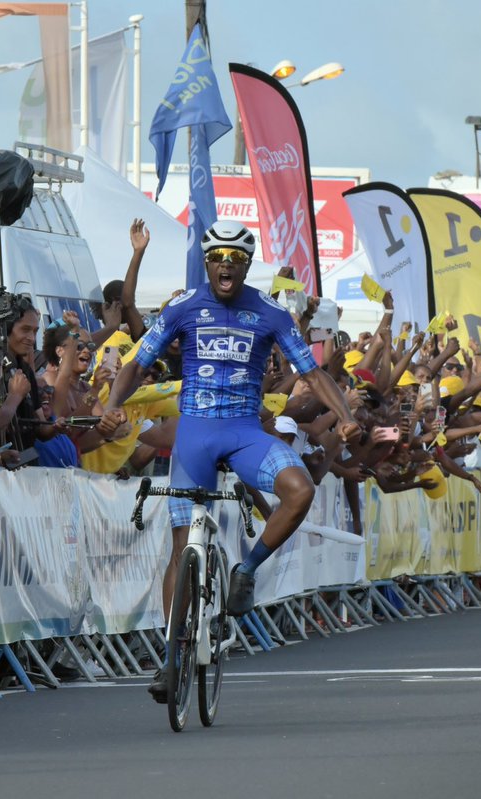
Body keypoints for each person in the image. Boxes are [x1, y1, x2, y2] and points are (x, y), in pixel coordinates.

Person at [101, 220, 361, 702]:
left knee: (300, 490)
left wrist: (344, 414)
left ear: (245, 266)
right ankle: (171, 658)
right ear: (207, 262)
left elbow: (313, 372)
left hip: (244, 432)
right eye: (218, 258)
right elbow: (137, 364)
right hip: (195, 434)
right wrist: (115, 403)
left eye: (236, 260)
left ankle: (247, 570)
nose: (226, 266)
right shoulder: (183, 307)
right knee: (181, 547)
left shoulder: (270, 313)